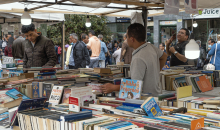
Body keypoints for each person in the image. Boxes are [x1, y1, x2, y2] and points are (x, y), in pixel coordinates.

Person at [100, 23, 168, 96]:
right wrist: (156, 71)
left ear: (132, 39)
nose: (126, 39)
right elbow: (164, 56)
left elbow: (135, 86)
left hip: (145, 98)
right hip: (156, 94)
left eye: (127, 37)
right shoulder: (150, 46)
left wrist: (113, 87)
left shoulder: (138, 57)